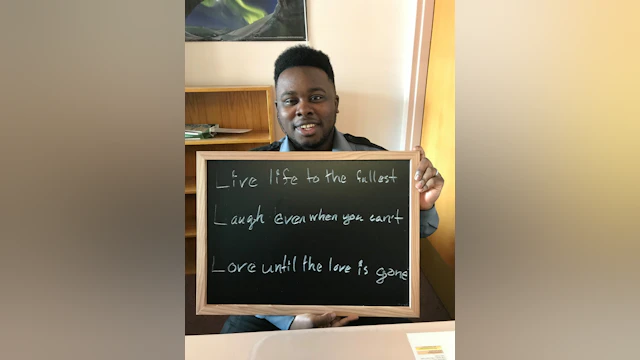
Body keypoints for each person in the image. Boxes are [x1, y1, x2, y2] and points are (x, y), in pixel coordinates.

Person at [220, 45, 445, 333]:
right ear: (278, 109)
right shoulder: (244, 173)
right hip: (271, 305)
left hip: (366, 298)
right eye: (290, 101)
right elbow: (235, 264)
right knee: (231, 344)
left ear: (336, 102)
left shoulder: (379, 163)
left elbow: (411, 235)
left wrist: (422, 205)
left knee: (400, 344)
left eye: (316, 97)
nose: (304, 108)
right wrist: (289, 320)